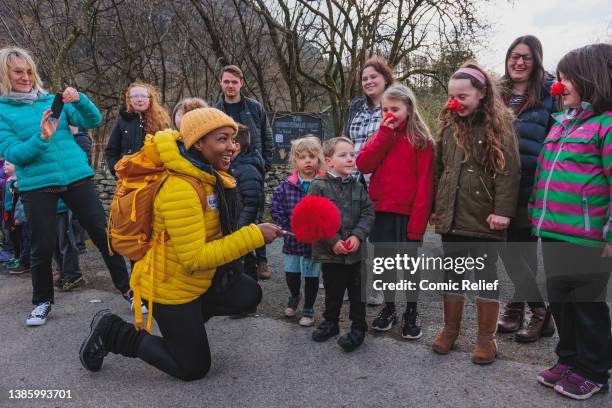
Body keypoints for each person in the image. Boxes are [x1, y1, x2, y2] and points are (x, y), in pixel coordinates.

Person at [79, 108, 283, 381]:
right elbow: (195, 258)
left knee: (247, 294)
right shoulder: (181, 189)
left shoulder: (207, 174)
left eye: (233, 140)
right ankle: (113, 331)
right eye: (222, 139)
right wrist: (254, 235)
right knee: (193, 367)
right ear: (198, 143)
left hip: (197, 280)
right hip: (170, 287)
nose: (232, 147)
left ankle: (186, 325)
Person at [0, 46, 131, 326]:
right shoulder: (2, 112)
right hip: (38, 185)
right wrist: (43, 138)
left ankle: (129, 289)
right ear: (5, 75)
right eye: (18, 72)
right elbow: (14, 154)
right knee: (42, 245)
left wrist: (80, 99)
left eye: (28, 71)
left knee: (101, 233)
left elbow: (93, 120)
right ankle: (42, 301)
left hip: (75, 177)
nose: (25, 77)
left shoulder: (52, 100)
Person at [529, 43, 612, 400]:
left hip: (589, 238)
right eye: (558, 79)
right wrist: (536, 212)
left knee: (587, 305)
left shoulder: (605, 127)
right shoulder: (562, 124)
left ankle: (594, 369)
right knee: (560, 299)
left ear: (591, 80)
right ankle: (569, 358)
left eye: (565, 79)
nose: (558, 87)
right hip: (554, 230)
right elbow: (544, 174)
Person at [431, 62, 520, 364]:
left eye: (463, 96)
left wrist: (502, 211)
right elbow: (438, 168)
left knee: (485, 278)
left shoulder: (500, 124)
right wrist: (435, 206)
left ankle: (486, 339)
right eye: (452, 96)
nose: (456, 102)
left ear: (481, 93)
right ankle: (450, 329)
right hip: (452, 218)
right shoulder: (446, 124)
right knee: (451, 276)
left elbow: (508, 171)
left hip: (484, 219)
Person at [356, 84, 434, 339]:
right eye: (385, 109)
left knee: (410, 265)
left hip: (408, 213)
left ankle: (412, 309)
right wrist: (383, 135)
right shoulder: (380, 135)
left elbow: (425, 184)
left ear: (409, 108)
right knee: (385, 264)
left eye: (395, 109)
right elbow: (363, 164)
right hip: (382, 209)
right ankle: (390, 307)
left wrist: (418, 224)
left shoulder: (422, 141)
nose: (389, 113)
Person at [496, 35, 556, 343]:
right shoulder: (495, 92)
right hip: (500, 183)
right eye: (514, 56)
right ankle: (525, 309)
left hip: (532, 183)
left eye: (526, 57)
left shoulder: (550, 94)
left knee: (520, 251)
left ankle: (536, 313)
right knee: (511, 251)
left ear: (536, 61)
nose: (519, 62)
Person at [309, 137, 375, 351]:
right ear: (328, 161)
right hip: (331, 254)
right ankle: (331, 322)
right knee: (333, 290)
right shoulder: (318, 186)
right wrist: (333, 241)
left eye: (352, 155)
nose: (350, 159)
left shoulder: (357, 187)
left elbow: (368, 212)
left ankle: (358, 327)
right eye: (343, 155)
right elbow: (315, 216)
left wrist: (357, 235)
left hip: (355, 254)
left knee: (357, 292)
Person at [343, 56, 396, 306]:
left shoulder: (395, 104)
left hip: (381, 179)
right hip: (353, 177)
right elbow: (346, 140)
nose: (368, 81)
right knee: (354, 232)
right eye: (364, 78)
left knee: (378, 237)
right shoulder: (355, 106)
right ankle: (355, 284)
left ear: (386, 78)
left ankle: (377, 289)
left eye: (373, 76)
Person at [215, 65, 273, 280]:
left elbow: (267, 136)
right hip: (227, 168)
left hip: (252, 166)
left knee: (255, 213)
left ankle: (262, 261)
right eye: (226, 81)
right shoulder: (216, 110)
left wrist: (264, 164)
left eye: (234, 81)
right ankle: (239, 259)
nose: (230, 85)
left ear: (241, 82)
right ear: (221, 83)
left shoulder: (254, 107)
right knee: (233, 214)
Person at [271, 136, 324, 327]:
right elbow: (276, 207)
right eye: (302, 157)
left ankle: (308, 307)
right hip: (292, 240)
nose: (308, 161)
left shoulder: (325, 184)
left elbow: (331, 209)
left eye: (312, 156)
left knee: (311, 276)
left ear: (319, 159)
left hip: (314, 243)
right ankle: (295, 296)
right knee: (291, 274)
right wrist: (285, 226)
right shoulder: (287, 185)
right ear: (295, 160)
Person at [229, 124, 266, 317]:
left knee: (245, 266)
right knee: (240, 264)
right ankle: (241, 302)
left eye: (229, 140)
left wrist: (239, 226)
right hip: (236, 225)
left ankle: (248, 304)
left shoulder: (248, 169)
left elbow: (252, 202)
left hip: (243, 225)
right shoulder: (231, 166)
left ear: (237, 146)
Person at [105, 82, 170, 177]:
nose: (139, 99)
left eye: (143, 96)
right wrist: (116, 171)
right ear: (129, 100)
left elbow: (168, 150)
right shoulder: (122, 122)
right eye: (135, 96)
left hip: (154, 177)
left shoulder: (161, 122)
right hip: (127, 177)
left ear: (150, 99)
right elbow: (111, 151)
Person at [2, 161, 29, 274]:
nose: (4, 166)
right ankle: (18, 256)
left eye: (8, 164)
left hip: (17, 215)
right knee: (13, 236)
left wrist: (18, 217)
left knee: (23, 237)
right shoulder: (9, 180)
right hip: (8, 212)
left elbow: (19, 202)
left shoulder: (17, 182)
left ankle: (24, 261)